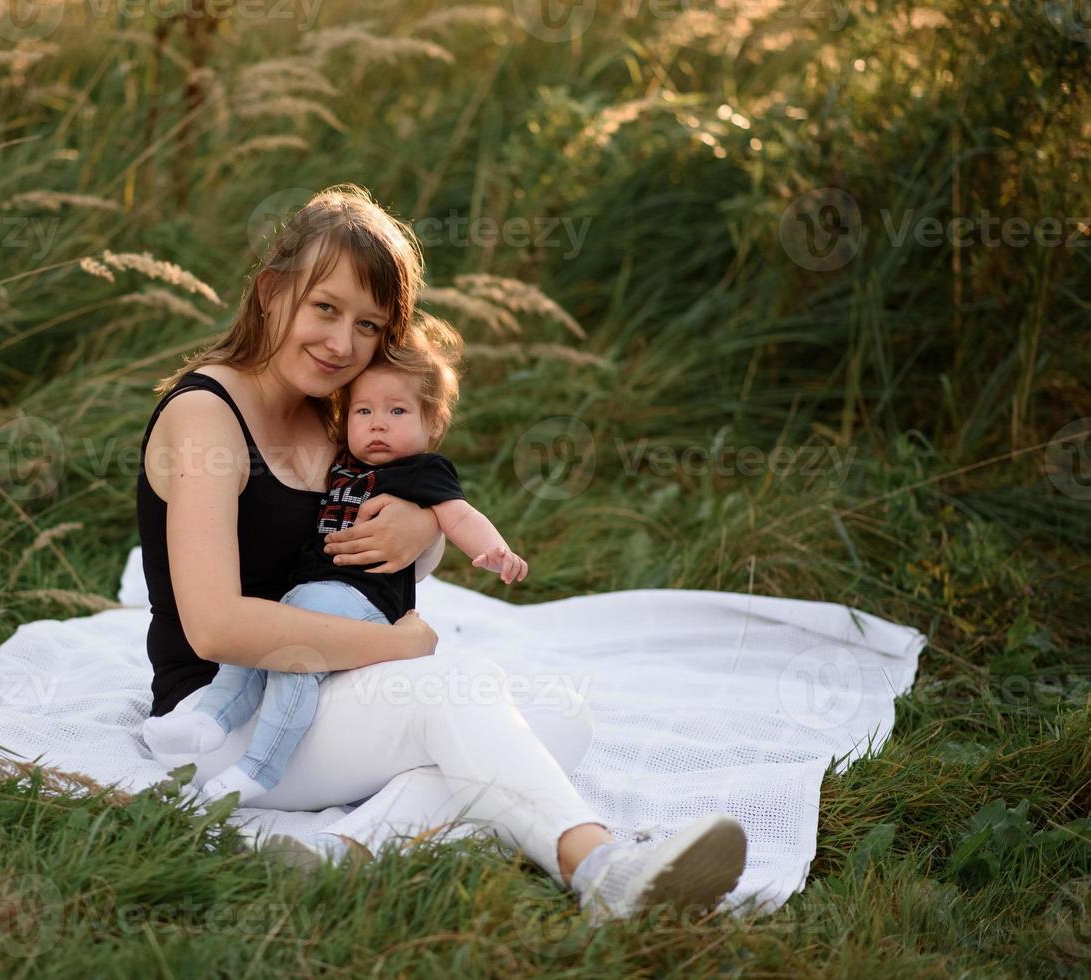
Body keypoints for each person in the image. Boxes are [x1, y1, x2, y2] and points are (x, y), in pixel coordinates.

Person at [135, 184, 747, 921]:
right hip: (225, 720)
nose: (341, 343)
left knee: (560, 717)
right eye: (323, 308)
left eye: (367, 325)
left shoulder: (331, 423)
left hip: (322, 695)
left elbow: (389, 529)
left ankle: (348, 851)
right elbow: (216, 628)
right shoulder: (208, 415)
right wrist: (390, 647)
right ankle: (601, 867)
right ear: (271, 292)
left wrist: (423, 529)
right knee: (455, 693)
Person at [143, 313, 532, 806]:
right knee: (262, 658)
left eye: (396, 412)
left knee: (519, 715)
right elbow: (226, 631)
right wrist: (397, 646)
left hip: (351, 606)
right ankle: (209, 721)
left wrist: (487, 548)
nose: (377, 425)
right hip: (296, 613)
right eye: (364, 412)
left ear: (432, 423)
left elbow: (459, 515)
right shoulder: (334, 455)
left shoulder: (424, 470)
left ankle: (281, 786)